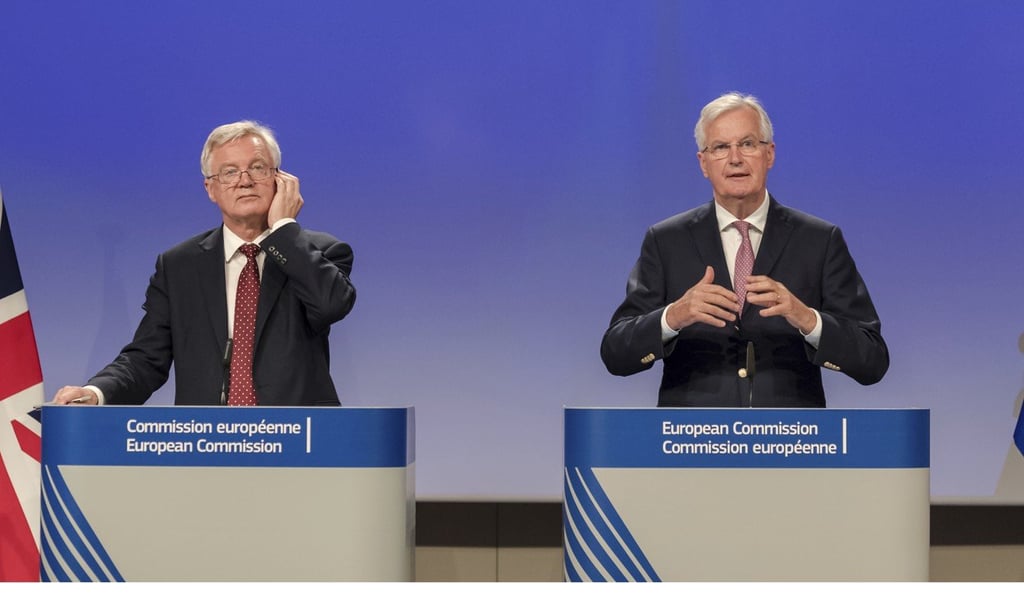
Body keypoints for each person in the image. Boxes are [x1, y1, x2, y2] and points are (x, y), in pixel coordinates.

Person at [600, 92, 888, 407]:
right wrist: (673, 316)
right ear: (703, 163)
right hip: (693, 445)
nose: (735, 158)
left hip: (790, 444)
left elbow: (872, 360)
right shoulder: (667, 240)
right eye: (721, 147)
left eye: (748, 144)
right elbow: (616, 354)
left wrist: (807, 318)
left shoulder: (819, 240)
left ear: (770, 154)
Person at [53, 121, 356, 406]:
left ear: (281, 180)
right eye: (229, 172)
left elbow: (331, 305)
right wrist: (96, 392)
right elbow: (147, 357)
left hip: (301, 443)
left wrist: (285, 230)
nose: (245, 181)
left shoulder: (321, 251)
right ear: (211, 189)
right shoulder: (179, 266)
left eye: (258, 168)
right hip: (207, 442)